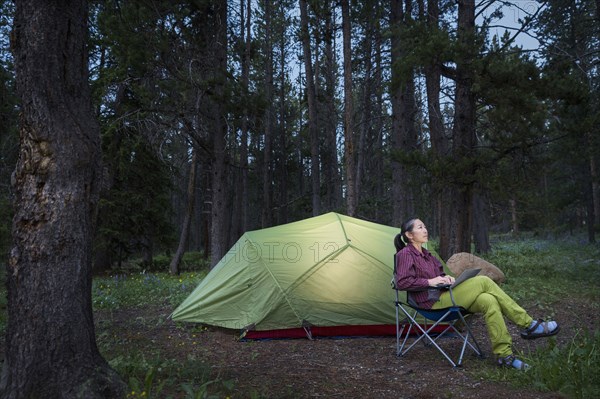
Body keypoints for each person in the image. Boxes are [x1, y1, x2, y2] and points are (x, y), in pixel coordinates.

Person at [394, 218, 560, 370]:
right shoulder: (405, 255)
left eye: (425, 226)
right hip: (431, 304)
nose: (425, 230)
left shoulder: (429, 255)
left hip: (445, 295)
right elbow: (402, 282)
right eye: (420, 227)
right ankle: (528, 325)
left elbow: (440, 275)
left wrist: (447, 279)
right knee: (484, 281)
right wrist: (431, 282)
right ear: (409, 235)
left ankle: (504, 356)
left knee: (488, 300)